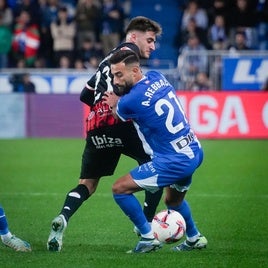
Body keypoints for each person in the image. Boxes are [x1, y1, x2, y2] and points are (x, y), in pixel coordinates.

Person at [47, 16, 163, 252]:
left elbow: (85, 96)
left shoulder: (106, 61)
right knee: (158, 164)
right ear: (133, 37)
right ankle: (147, 225)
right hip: (121, 118)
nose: (152, 46)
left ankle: (63, 218)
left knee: (87, 184)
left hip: (97, 124)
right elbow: (130, 88)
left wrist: (102, 110)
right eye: (149, 40)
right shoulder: (129, 55)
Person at [103, 49, 208, 253]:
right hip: (194, 149)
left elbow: (118, 114)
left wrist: (113, 104)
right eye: (113, 75)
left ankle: (147, 237)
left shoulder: (128, 102)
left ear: (134, 71)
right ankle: (195, 238)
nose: (115, 81)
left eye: (119, 75)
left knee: (119, 189)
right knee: (173, 200)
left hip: (173, 160)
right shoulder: (157, 76)